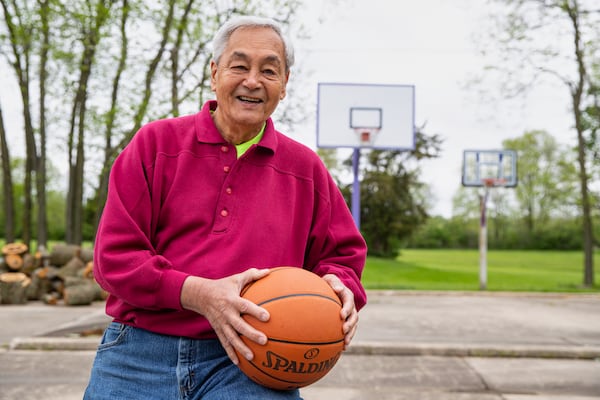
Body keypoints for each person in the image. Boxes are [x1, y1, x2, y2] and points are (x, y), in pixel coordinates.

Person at [84, 15, 367, 400]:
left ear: (284, 86)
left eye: (269, 70)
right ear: (215, 73)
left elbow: (342, 256)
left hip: (255, 355)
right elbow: (114, 259)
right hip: (140, 351)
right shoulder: (155, 144)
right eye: (239, 65)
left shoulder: (306, 169)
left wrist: (341, 286)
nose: (253, 80)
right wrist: (200, 294)